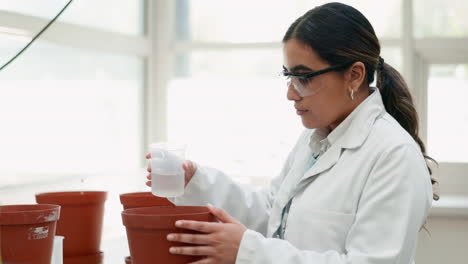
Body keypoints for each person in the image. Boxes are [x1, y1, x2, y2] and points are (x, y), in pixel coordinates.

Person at [146, 2, 439, 264]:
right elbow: (274, 214)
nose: (290, 94)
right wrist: (196, 182)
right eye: (289, 76)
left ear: (354, 75)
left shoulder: (393, 156)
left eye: (304, 77)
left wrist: (248, 252)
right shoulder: (317, 139)